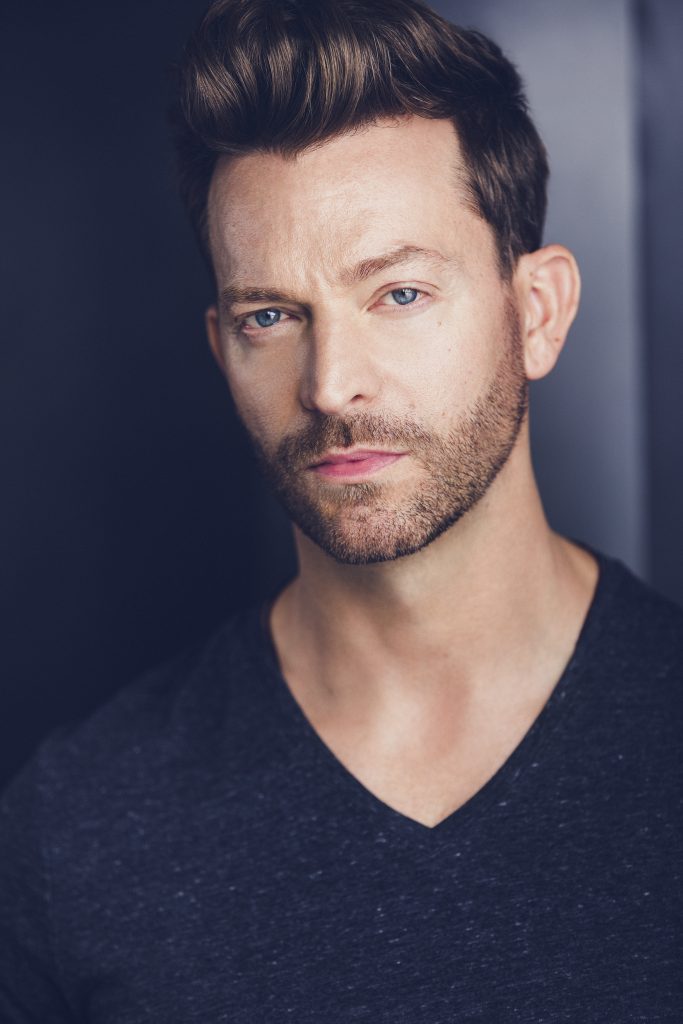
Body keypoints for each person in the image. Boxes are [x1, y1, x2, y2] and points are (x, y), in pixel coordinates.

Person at [1, 0, 681, 1019]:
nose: (328, 385)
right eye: (270, 316)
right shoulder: (75, 826)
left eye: (398, 294)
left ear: (535, 312)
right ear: (221, 348)